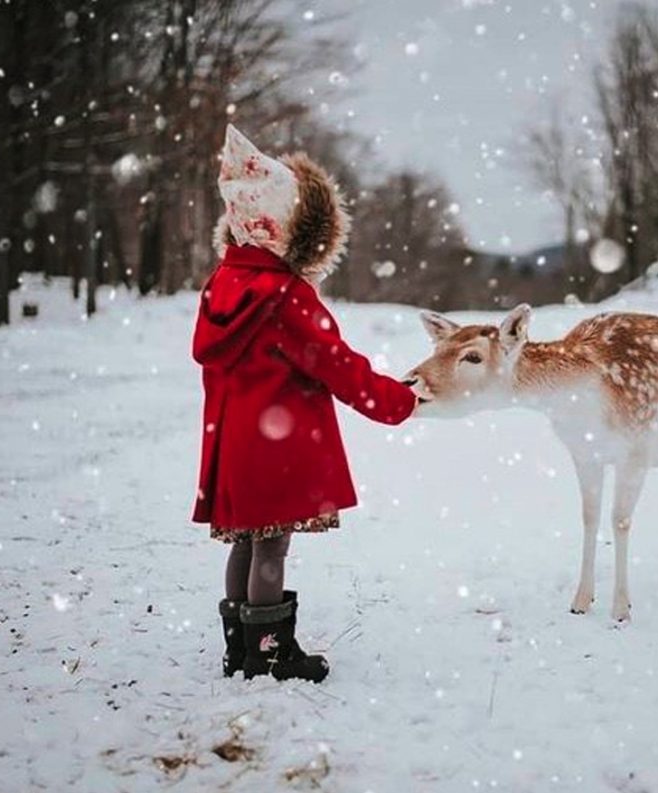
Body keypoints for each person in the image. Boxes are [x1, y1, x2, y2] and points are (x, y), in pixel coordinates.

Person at [192, 125, 417, 683]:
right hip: (277, 445)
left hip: (235, 444)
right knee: (272, 548)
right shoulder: (286, 295)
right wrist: (398, 400)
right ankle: (269, 654)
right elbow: (337, 364)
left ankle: (240, 650)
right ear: (293, 231)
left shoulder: (223, 283)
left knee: (245, 544)